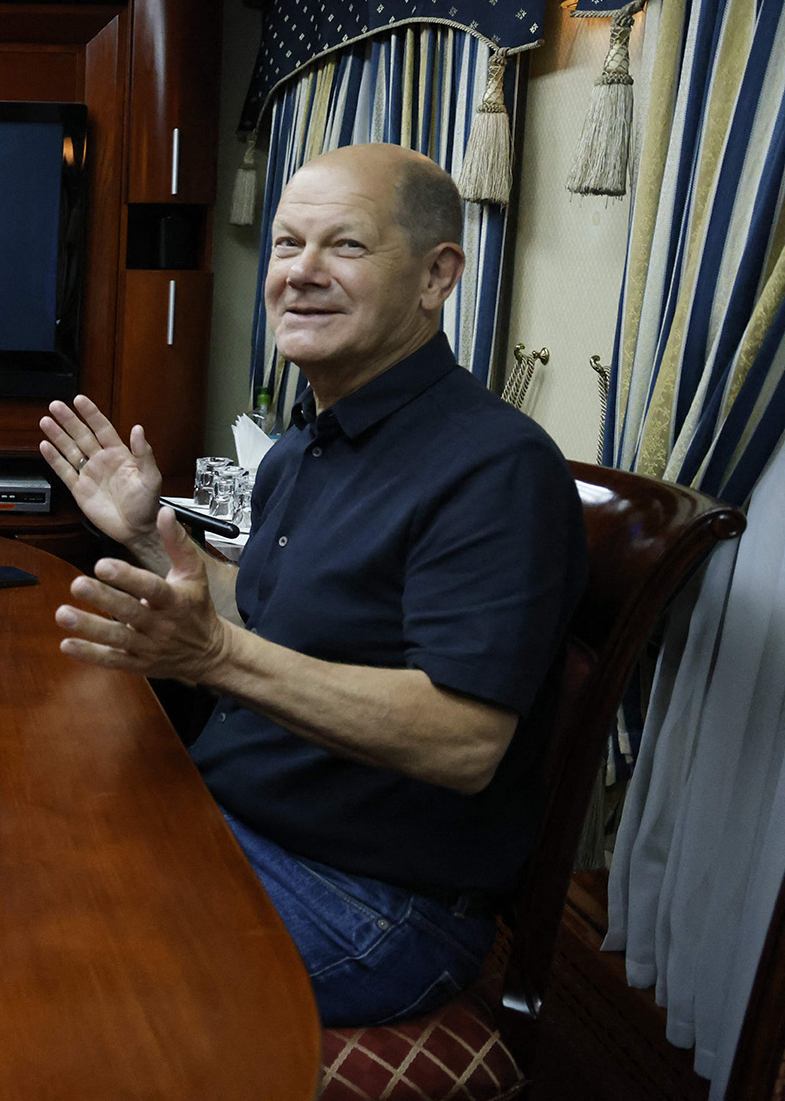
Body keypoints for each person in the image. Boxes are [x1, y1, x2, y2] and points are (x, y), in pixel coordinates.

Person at [41, 144, 587, 1028]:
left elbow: (463, 741)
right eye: (287, 246)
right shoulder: (301, 448)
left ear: (436, 276)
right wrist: (148, 534)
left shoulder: (495, 467)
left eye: (346, 247)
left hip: (375, 905)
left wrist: (216, 659)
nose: (302, 272)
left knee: (24, 956)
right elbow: (261, 617)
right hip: (233, 824)